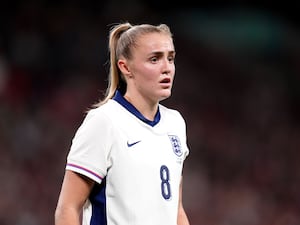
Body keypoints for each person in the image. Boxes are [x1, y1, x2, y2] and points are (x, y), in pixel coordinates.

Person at [54, 21, 190, 225]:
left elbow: (176, 210)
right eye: (154, 59)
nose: (167, 68)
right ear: (126, 67)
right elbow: (68, 208)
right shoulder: (105, 121)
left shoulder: (175, 123)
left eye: (170, 58)